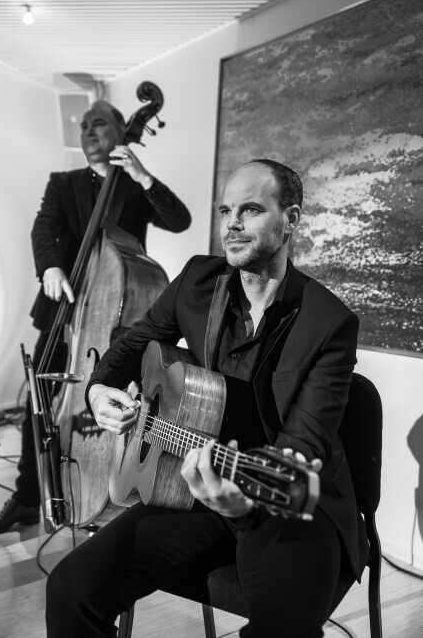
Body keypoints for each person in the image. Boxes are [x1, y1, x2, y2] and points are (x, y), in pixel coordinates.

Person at [45, 158, 369, 638]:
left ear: (291, 220)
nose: (231, 224)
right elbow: (134, 343)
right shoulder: (197, 281)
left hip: (285, 502)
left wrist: (241, 505)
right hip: (191, 485)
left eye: (250, 210)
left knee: (282, 630)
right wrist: (97, 390)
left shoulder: (329, 323)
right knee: (71, 587)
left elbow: (302, 446)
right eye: (224, 211)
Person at [0, 100, 191, 535]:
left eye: (99, 123)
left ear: (120, 130)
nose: (88, 130)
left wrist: (143, 177)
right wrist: (50, 267)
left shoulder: (133, 185)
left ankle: (101, 495)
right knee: (40, 404)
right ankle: (26, 498)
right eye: (84, 125)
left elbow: (179, 220)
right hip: (65, 317)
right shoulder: (64, 182)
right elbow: (43, 228)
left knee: (112, 410)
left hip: (113, 320)